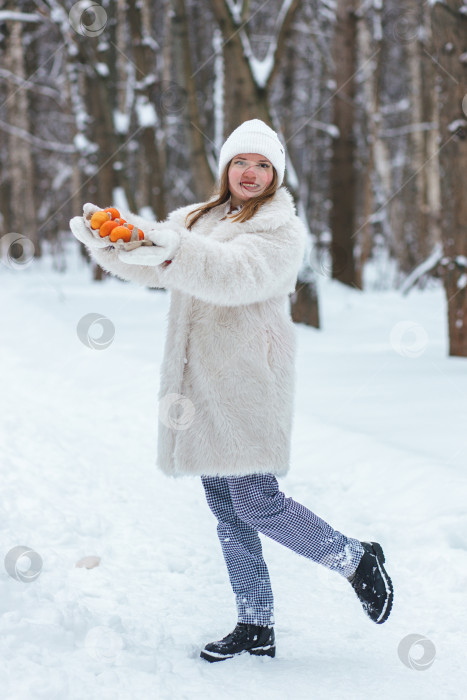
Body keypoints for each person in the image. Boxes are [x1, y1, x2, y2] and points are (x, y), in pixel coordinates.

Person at [70, 119, 394, 663]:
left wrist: (166, 244)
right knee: (226, 508)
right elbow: (159, 267)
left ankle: (355, 559)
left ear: (276, 174)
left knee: (256, 501)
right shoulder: (198, 218)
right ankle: (255, 623)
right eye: (241, 162)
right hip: (197, 383)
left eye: (263, 164)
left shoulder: (280, 231)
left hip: (248, 382)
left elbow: (230, 274)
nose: (250, 172)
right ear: (226, 168)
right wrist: (112, 242)